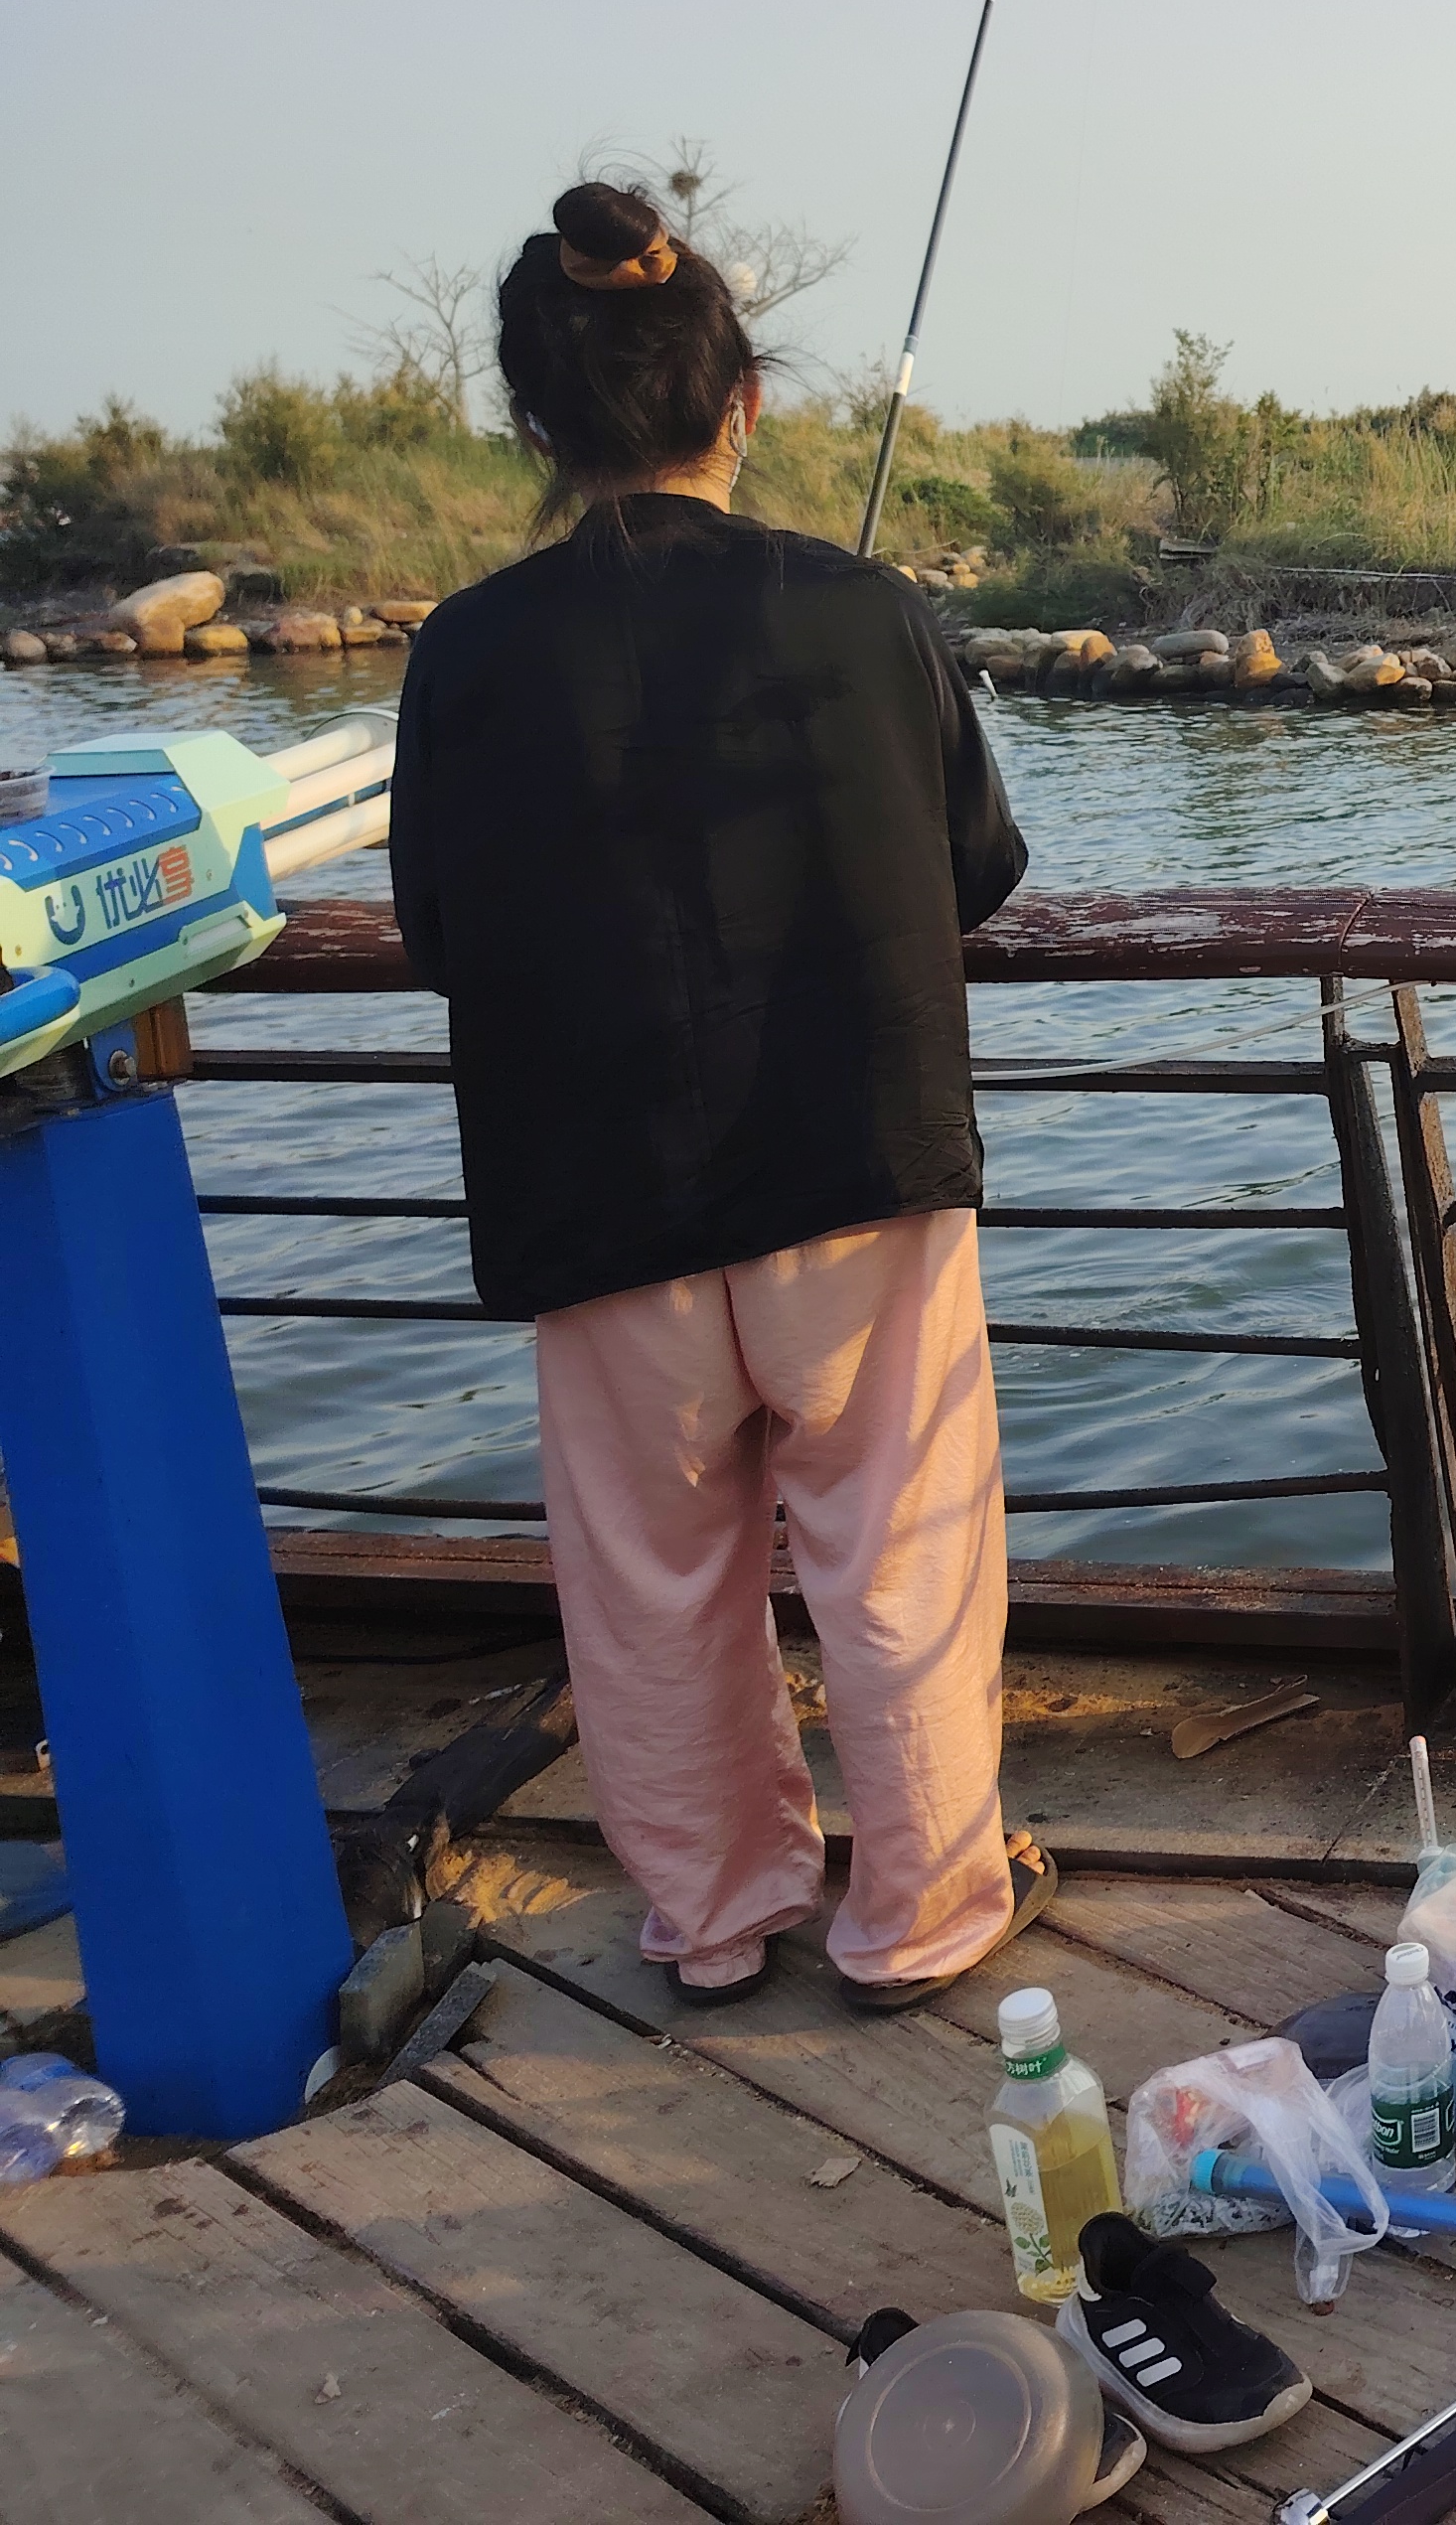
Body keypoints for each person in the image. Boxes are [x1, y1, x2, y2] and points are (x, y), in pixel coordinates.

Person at [392, 180, 1047, 2013]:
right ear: (741, 400)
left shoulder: (465, 652)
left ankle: (715, 1913)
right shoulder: (867, 610)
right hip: (857, 1161)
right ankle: (923, 1916)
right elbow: (978, 868)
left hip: (595, 1182)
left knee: (651, 1580)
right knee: (900, 1547)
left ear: (535, 423)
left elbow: (437, 927)